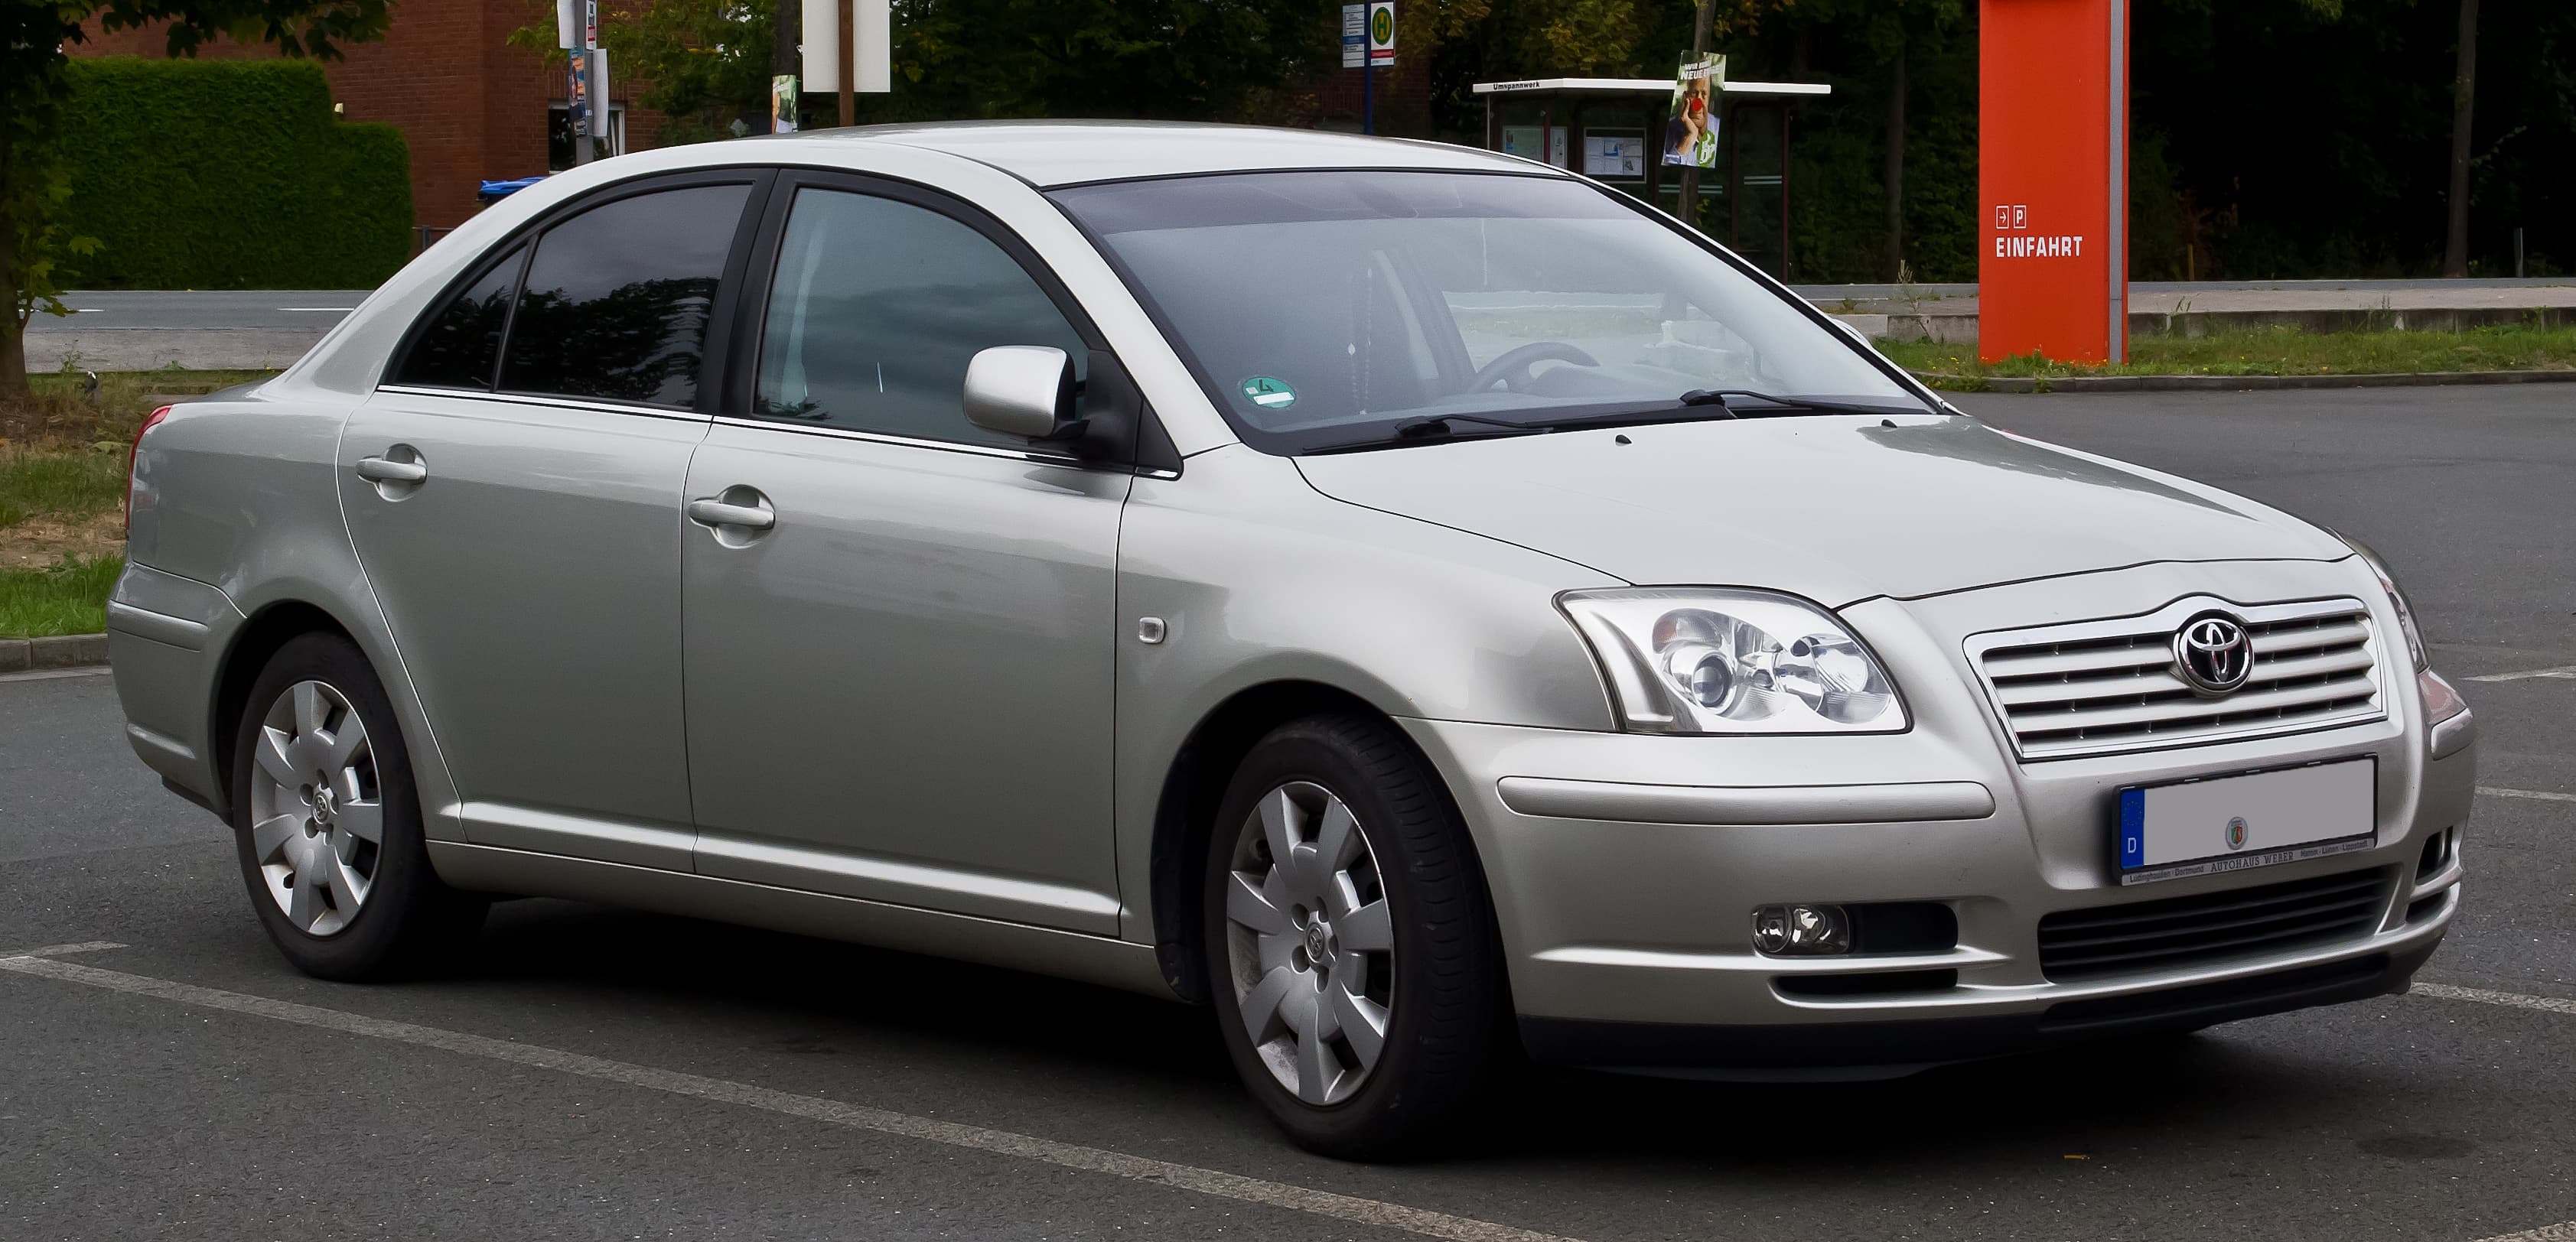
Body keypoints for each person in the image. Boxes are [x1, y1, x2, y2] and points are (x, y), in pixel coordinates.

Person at [1664, 70, 1716, 167]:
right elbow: (1666, 174)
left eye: (1704, 94)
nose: (1698, 102)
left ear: (1710, 101)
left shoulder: (1718, 128)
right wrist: (1689, 136)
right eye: (1693, 93)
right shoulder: (1670, 128)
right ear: (1685, 98)